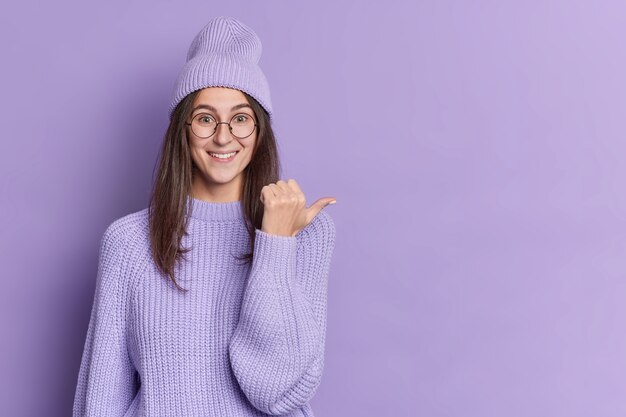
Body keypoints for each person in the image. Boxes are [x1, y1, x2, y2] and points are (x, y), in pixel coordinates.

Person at [72, 16, 337, 417]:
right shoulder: (128, 242)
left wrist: (276, 244)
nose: (224, 136)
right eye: (206, 118)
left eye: (242, 118)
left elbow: (279, 391)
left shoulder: (305, 233)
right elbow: (102, 398)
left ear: (260, 132)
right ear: (183, 129)